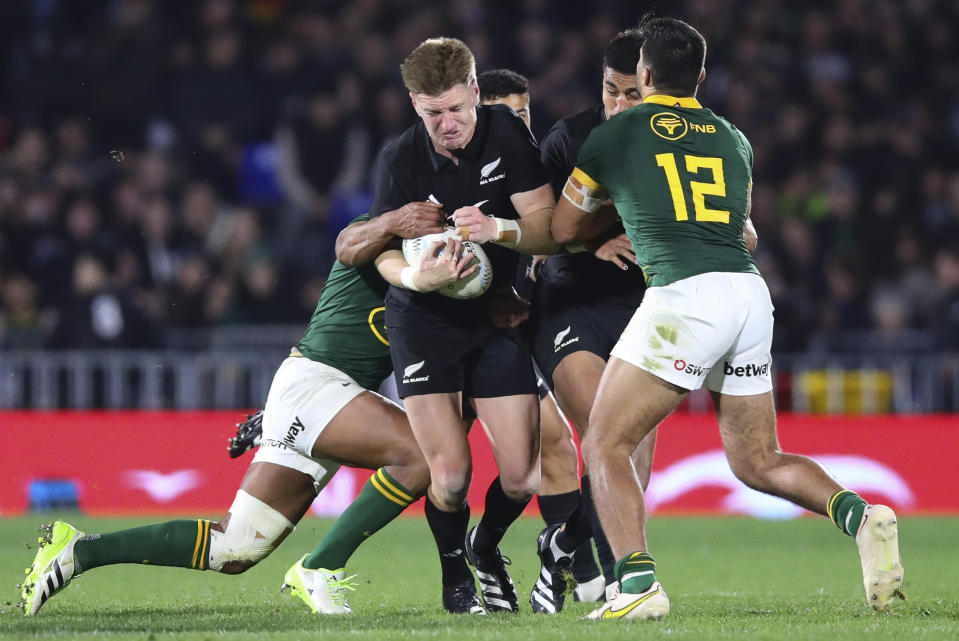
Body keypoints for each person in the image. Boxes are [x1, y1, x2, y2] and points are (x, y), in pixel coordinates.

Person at [549, 17, 903, 620]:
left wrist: (611, 205)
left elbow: (560, 230)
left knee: (607, 441)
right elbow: (744, 230)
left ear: (645, 76)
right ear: (702, 77)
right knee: (757, 460)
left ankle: (636, 588)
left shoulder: (615, 134)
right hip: (746, 293)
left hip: (682, 296)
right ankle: (862, 515)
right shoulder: (734, 139)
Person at [19, 214, 475, 617]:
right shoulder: (387, 231)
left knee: (235, 547)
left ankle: (77, 550)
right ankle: (321, 567)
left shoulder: (445, 275)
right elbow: (351, 239)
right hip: (317, 388)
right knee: (422, 455)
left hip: (325, 401)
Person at [358, 37, 559, 615]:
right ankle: (455, 578)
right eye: (431, 113)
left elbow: (547, 226)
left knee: (522, 478)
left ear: (476, 92)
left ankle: (484, 543)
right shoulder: (400, 160)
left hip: (494, 318)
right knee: (448, 477)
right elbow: (382, 253)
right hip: (424, 321)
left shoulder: (508, 134)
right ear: (414, 106)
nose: (446, 125)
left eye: (455, 109)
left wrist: (499, 229)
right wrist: (418, 278)